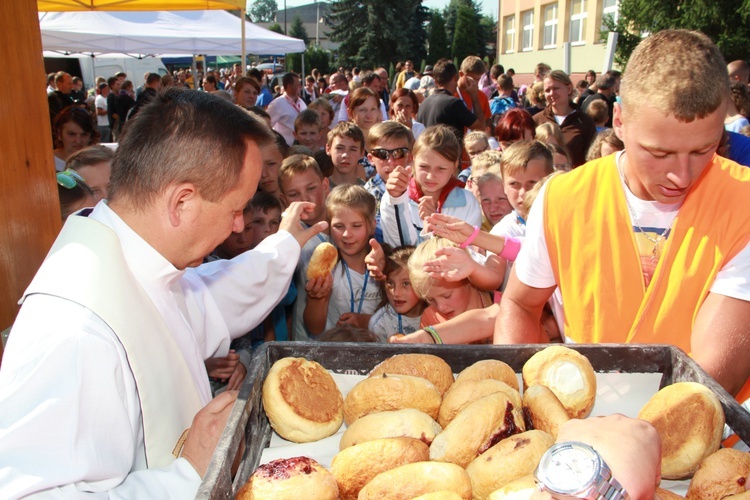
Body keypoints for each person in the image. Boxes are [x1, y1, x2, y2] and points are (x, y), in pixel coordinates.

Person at [0, 88, 327, 496]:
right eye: (235, 209)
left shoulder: (137, 261)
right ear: (181, 202)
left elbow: (213, 300)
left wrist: (284, 246)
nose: (240, 226)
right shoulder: (75, 329)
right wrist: (190, 472)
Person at [496, 29, 750, 400]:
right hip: (583, 424)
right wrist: (521, 396)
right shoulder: (562, 197)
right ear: (619, 119)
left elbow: (713, 379)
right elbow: (519, 302)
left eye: (703, 150)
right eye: (659, 153)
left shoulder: (743, 202)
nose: (682, 175)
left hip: (701, 436)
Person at [380, 125, 482, 248]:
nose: (430, 176)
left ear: (454, 166)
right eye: (424, 167)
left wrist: (436, 227)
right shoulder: (395, 195)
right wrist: (396, 201)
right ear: (412, 159)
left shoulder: (467, 202)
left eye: (441, 169)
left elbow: (471, 255)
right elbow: (397, 250)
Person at [304, 185, 381, 335]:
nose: (347, 234)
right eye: (339, 226)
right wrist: (316, 298)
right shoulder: (326, 268)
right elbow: (314, 328)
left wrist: (366, 321)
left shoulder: (384, 265)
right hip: (334, 349)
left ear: (372, 226)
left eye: (356, 225)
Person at [278, 154, 331, 341]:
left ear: (325, 185)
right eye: (294, 194)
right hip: (309, 341)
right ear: (284, 199)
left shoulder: (347, 227)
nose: (305, 198)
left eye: (311, 188)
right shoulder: (286, 240)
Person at [364, 121, 415, 243]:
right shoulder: (366, 196)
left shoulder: (422, 187)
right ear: (371, 159)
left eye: (398, 153)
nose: (391, 161)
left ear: (409, 157)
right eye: (382, 154)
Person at [533, 70, 597, 167]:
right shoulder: (537, 120)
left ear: (569, 88)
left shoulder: (584, 121)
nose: (551, 93)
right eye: (547, 90)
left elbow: (592, 159)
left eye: (556, 88)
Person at [416, 59, 484, 146]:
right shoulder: (454, 103)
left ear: (435, 81)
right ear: (456, 77)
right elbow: (480, 128)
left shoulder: (424, 103)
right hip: (448, 156)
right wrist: (475, 97)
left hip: (427, 154)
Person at [368, 246, 425, 341]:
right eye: (390, 283)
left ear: (422, 282)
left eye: (406, 283)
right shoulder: (379, 325)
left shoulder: (438, 314)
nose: (396, 293)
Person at [52, 106, 99, 172]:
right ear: (59, 134)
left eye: (84, 135)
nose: (78, 141)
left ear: (91, 136)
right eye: (71, 134)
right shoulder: (48, 162)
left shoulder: (99, 162)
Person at [268, 72, 307, 146]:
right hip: (286, 147)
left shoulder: (301, 102)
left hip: (302, 145)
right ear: (289, 86)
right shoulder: (277, 104)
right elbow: (266, 124)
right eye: (298, 85)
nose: (301, 87)